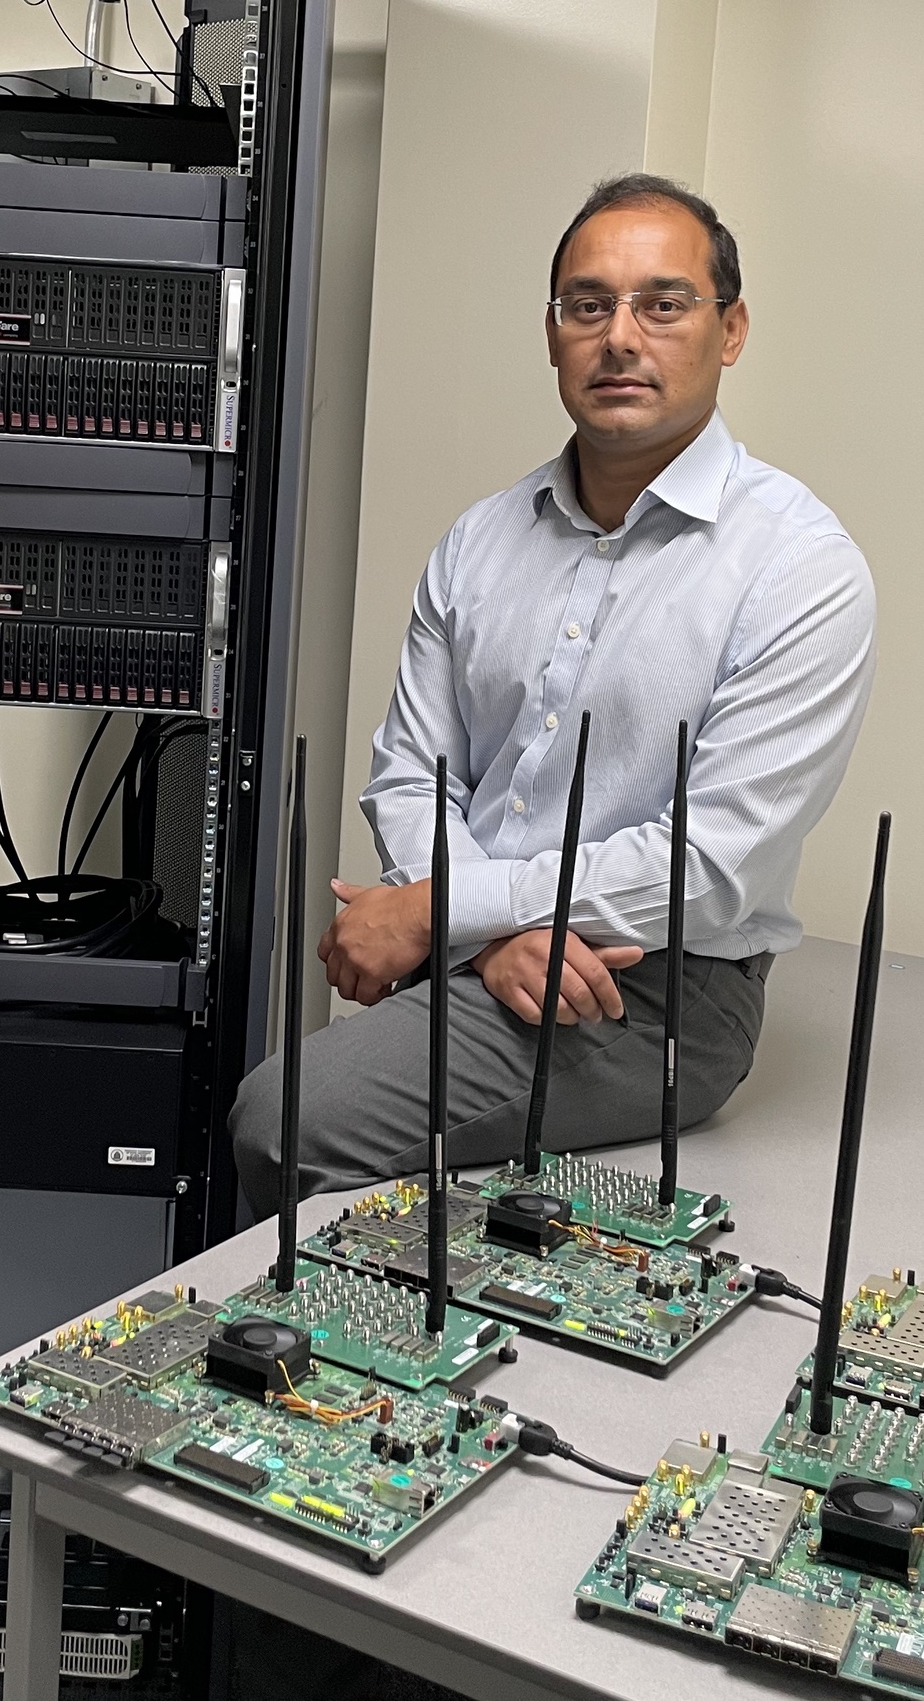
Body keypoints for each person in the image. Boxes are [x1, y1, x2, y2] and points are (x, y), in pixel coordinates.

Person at [231, 173, 875, 1221]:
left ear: (731, 329)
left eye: (662, 304)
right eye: (588, 305)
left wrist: (445, 911)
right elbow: (410, 772)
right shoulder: (479, 542)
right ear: (551, 332)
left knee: (285, 1112)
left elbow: (708, 867)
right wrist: (489, 939)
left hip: (658, 986)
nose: (621, 336)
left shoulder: (800, 570)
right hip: (483, 948)